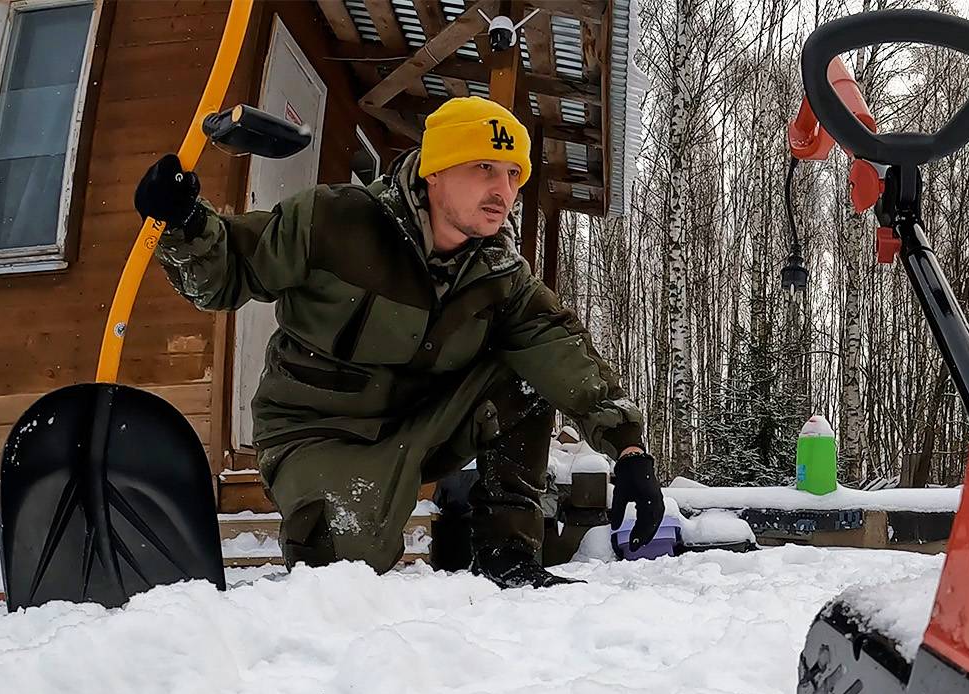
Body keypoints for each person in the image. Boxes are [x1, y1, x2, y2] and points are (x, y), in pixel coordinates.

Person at [136, 97, 662, 588]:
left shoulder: (500, 274)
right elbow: (226, 273)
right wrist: (184, 222)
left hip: (419, 427)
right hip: (317, 428)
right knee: (343, 575)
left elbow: (563, 351)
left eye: (513, 174)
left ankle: (507, 552)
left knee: (529, 374)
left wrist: (629, 449)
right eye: (484, 167)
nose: (503, 190)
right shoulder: (331, 221)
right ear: (435, 170)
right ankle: (324, 532)